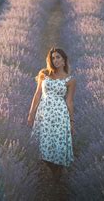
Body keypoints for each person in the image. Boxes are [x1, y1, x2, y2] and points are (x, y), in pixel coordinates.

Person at [27, 47, 76, 182]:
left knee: (58, 142)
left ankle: (57, 170)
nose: (55, 60)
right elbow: (37, 95)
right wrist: (31, 114)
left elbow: (70, 101)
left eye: (58, 57)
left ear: (64, 60)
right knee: (43, 145)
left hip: (60, 114)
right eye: (53, 58)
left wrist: (72, 122)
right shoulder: (44, 74)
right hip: (45, 113)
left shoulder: (70, 80)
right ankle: (54, 168)